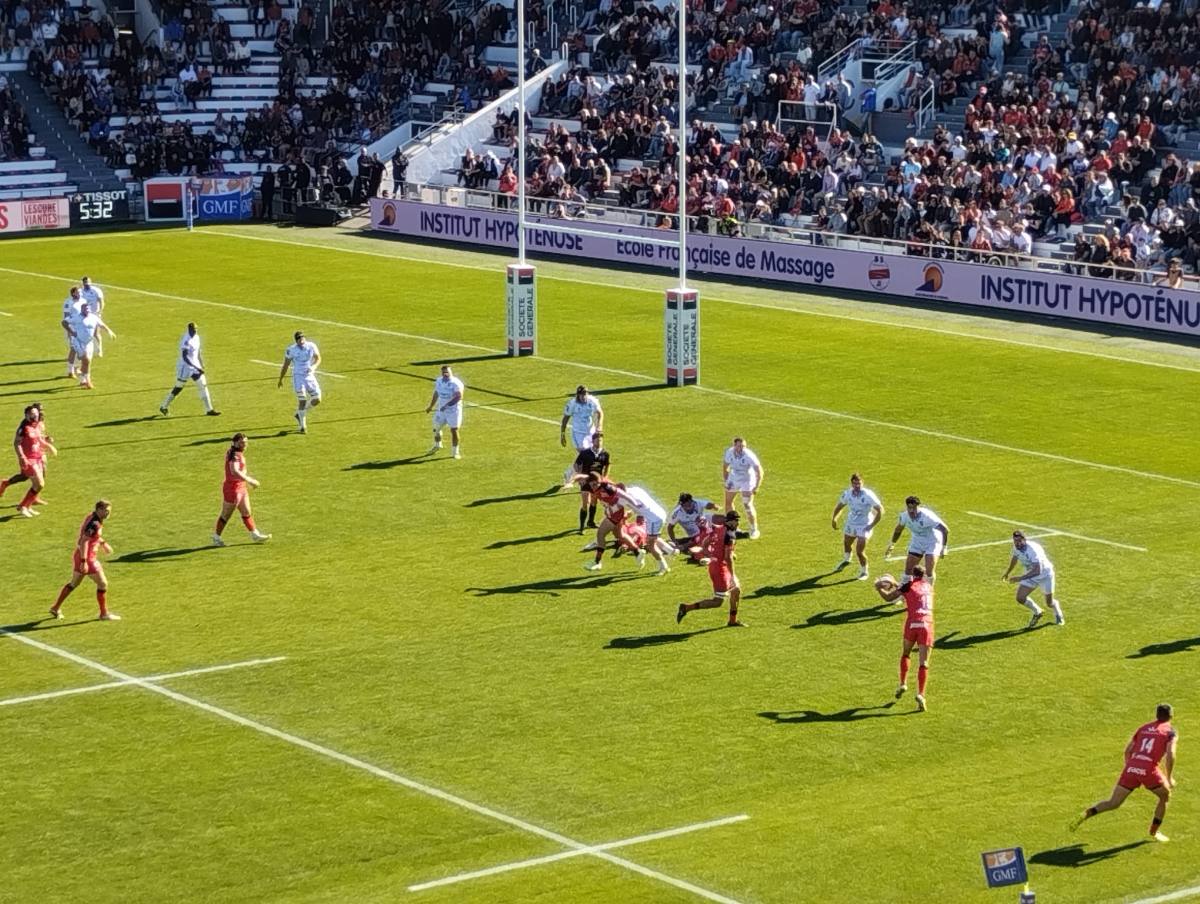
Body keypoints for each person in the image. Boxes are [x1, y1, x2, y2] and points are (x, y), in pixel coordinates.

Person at [1071, 704, 1178, 843]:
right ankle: (1154, 832)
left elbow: (1128, 750)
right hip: (1149, 768)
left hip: (1132, 766)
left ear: (1156, 715)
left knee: (1113, 802)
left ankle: (1085, 814)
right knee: (1165, 796)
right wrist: (1169, 778)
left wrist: (1131, 768)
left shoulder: (1143, 728)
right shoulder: (1170, 732)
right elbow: (1171, 754)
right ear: (1171, 716)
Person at [874, 566, 934, 712]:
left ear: (913, 575)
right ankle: (920, 694)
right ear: (924, 575)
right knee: (924, 662)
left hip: (912, 624)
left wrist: (878, 587)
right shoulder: (929, 586)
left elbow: (889, 597)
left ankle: (903, 683)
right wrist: (895, 583)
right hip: (926, 624)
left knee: (906, 653)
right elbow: (914, 590)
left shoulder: (908, 586)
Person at [49, 500, 120, 620]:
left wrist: (103, 543)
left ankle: (55, 608)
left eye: (109, 511)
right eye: (106, 511)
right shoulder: (95, 523)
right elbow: (84, 541)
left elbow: (91, 536)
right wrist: (84, 561)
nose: (108, 514)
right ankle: (104, 613)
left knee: (74, 583)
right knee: (103, 584)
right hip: (88, 558)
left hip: (80, 555)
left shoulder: (92, 517)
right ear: (99, 510)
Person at [676, 511, 748, 627]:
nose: (737, 523)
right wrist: (733, 575)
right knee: (717, 602)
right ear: (729, 521)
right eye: (735, 520)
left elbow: (704, 544)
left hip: (716, 567)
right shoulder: (730, 536)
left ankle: (732, 620)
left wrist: (710, 556)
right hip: (721, 571)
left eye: (738, 520)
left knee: (736, 591)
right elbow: (728, 558)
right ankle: (686, 607)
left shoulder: (717, 529)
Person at [212, 433, 271, 546]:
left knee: (246, 511)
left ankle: (255, 534)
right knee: (226, 514)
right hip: (232, 488)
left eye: (245, 442)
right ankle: (216, 537)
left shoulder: (235, 452)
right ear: (234, 443)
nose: (244, 445)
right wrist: (250, 480)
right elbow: (234, 470)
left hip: (240, 486)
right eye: (241, 442)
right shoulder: (234, 455)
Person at [1001, 530, 1064, 628]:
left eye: (1018, 541)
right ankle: (1038, 612)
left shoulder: (1033, 550)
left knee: (1049, 603)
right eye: (1014, 541)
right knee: (1020, 598)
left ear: (1024, 540)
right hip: (1031, 575)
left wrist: (1020, 578)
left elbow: (1038, 570)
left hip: (1045, 575)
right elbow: (1015, 557)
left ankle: (1058, 612)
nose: (1016, 543)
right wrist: (1007, 572)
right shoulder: (1016, 547)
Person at [2, 404, 57, 517]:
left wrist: (49, 446)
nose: (35, 416)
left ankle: (26, 505)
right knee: (39, 483)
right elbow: (17, 443)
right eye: (32, 414)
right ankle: (23, 506)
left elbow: (39, 440)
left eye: (36, 414)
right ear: (26, 415)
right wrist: (22, 457)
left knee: (39, 485)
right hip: (29, 459)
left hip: (37, 457)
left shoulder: (36, 425)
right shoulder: (24, 428)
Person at [830, 473, 884, 580]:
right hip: (851, 522)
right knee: (846, 543)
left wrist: (871, 525)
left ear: (862, 483)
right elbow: (840, 505)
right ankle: (847, 559)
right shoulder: (847, 493)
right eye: (854, 483)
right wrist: (834, 518)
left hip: (864, 524)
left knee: (859, 551)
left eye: (858, 483)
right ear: (851, 484)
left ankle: (864, 572)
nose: (857, 486)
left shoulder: (868, 494)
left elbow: (880, 510)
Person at [160, 323, 221, 416]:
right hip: (185, 367)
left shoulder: (197, 337)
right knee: (179, 387)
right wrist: (197, 367)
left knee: (203, 385)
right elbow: (185, 357)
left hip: (195, 366)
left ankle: (209, 409)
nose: (195, 331)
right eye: (193, 329)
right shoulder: (186, 340)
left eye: (196, 329)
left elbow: (198, 351)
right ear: (189, 329)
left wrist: (201, 363)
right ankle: (164, 406)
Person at [885, 496, 949, 583]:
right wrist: (892, 544)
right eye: (909, 508)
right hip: (917, 541)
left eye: (913, 508)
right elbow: (898, 530)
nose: (911, 511)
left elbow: (945, 530)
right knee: (908, 570)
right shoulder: (904, 516)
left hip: (932, 541)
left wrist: (944, 547)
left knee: (929, 571)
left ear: (917, 507)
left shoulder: (927, 516)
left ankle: (928, 593)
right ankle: (905, 593)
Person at [277, 330, 322, 433]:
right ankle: (302, 426)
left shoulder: (311, 346)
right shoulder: (291, 350)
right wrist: (280, 379)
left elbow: (318, 358)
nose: (301, 340)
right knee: (302, 400)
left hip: (309, 375)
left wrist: (313, 367)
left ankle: (300, 413)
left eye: (302, 338)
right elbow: (286, 365)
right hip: (298, 377)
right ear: (296, 341)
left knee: (317, 399)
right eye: (299, 339)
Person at [565, 430, 609, 531]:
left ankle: (591, 522)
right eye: (597, 441)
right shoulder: (585, 453)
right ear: (593, 441)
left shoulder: (605, 454)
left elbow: (607, 465)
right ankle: (581, 526)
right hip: (585, 481)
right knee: (585, 503)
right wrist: (579, 476)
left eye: (601, 441)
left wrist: (604, 478)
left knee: (594, 502)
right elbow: (576, 465)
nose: (599, 443)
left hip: (596, 482)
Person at [722, 437, 764, 539]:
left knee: (747, 504)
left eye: (743, 446)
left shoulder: (749, 455)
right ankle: (733, 528)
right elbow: (725, 467)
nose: (741, 448)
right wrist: (727, 481)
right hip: (734, 478)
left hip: (747, 480)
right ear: (734, 445)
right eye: (739, 446)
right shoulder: (729, 452)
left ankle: (754, 529)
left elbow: (759, 471)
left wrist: (756, 486)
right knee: (728, 502)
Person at [72, 300, 116, 389]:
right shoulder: (76, 317)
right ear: (82, 310)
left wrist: (109, 332)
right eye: (85, 308)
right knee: (85, 361)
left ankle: (82, 379)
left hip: (89, 343)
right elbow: (65, 322)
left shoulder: (93, 317)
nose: (87, 310)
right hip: (79, 342)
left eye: (88, 308)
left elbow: (102, 325)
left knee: (87, 363)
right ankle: (87, 381)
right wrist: (71, 333)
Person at [425, 365, 464, 458]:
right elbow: (436, 392)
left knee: (454, 430)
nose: (445, 374)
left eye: (447, 372)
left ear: (451, 372)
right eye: (444, 372)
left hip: (453, 411)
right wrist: (431, 406)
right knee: (436, 429)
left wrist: (447, 405)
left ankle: (455, 452)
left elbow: (459, 396)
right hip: (441, 410)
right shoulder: (439, 381)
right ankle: (438, 445)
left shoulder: (456, 383)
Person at [667, 492, 718, 561]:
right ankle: (678, 546)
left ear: (692, 501)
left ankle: (679, 544)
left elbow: (709, 505)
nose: (688, 508)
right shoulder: (676, 513)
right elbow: (670, 527)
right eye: (685, 506)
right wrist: (673, 540)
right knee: (697, 540)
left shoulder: (698, 502)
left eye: (689, 505)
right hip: (694, 535)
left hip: (704, 528)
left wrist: (714, 506)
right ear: (681, 505)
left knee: (714, 529)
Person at [560, 384, 603, 454]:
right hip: (578, 433)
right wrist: (562, 434)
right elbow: (565, 418)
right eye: (581, 394)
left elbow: (600, 413)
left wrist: (599, 426)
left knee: (596, 452)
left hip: (591, 431)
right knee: (585, 454)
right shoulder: (572, 404)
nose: (583, 396)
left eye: (584, 394)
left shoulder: (592, 401)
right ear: (578, 395)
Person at [61, 285, 85, 378]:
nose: (80, 293)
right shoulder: (68, 302)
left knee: (82, 349)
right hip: (73, 328)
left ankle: (77, 368)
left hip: (82, 328)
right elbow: (66, 317)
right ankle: (70, 370)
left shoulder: (83, 301)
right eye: (78, 292)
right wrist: (69, 330)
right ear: (73, 293)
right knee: (74, 349)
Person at [80, 276, 106, 357]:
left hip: (95, 314)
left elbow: (101, 302)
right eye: (86, 283)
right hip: (84, 315)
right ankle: (83, 350)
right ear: (83, 283)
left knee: (96, 333)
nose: (88, 284)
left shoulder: (96, 290)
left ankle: (99, 349)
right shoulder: (80, 292)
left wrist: (100, 312)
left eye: (89, 283)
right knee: (83, 333)